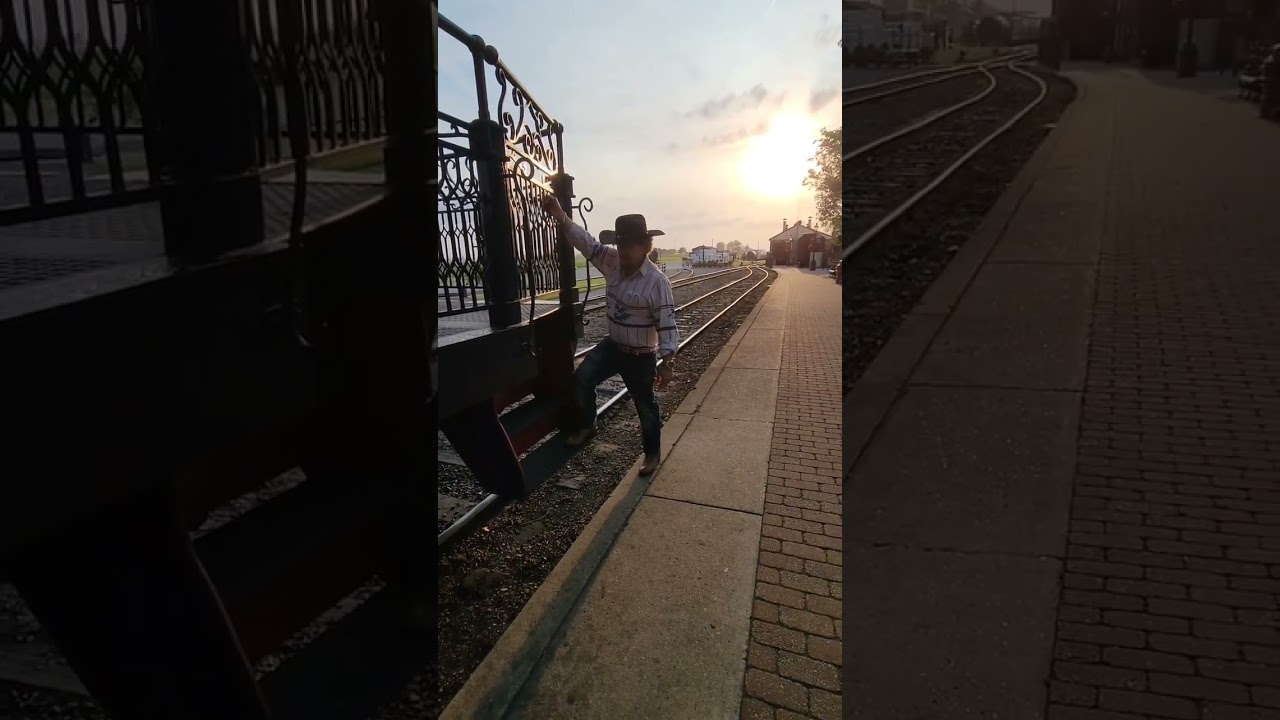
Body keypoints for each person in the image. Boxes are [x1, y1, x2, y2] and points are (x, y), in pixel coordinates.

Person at [541, 195, 677, 475]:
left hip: (640, 356)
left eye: (631, 245)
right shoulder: (612, 261)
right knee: (582, 378)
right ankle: (588, 425)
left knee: (645, 406)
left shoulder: (657, 283)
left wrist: (667, 360)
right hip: (613, 347)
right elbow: (586, 242)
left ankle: (652, 455)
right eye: (621, 244)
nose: (624, 250)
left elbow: (667, 323)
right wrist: (559, 214)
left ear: (646, 247)